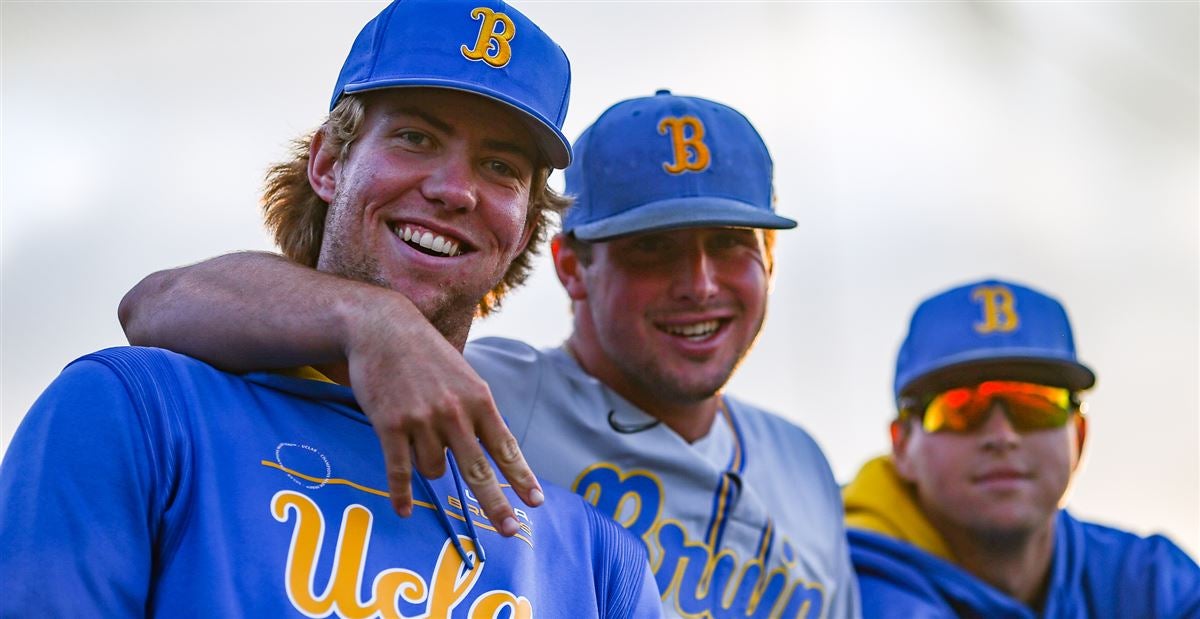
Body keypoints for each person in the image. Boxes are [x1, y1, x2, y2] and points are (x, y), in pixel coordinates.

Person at [0, 1, 662, 616]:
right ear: (327, 163)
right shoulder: (137, 413)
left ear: (522, 227)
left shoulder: (599, 561)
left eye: (499, 167)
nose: (455, 189)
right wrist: (371, 320)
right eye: (415, 137)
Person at [118, 90, 861, 617]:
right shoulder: (482, 386)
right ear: (571, 266)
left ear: (770, 257)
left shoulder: (800, 463)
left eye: (731, 245)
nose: (697, 283)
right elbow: (156, 305)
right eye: (652, 249)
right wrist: (375, 321)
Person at [842, 278, 1200, 617]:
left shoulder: (1150, 581)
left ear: (1078, 435)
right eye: (962, 409)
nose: (1003, 436)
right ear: (902, 446)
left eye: (1034, 405)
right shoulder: (840, 586)